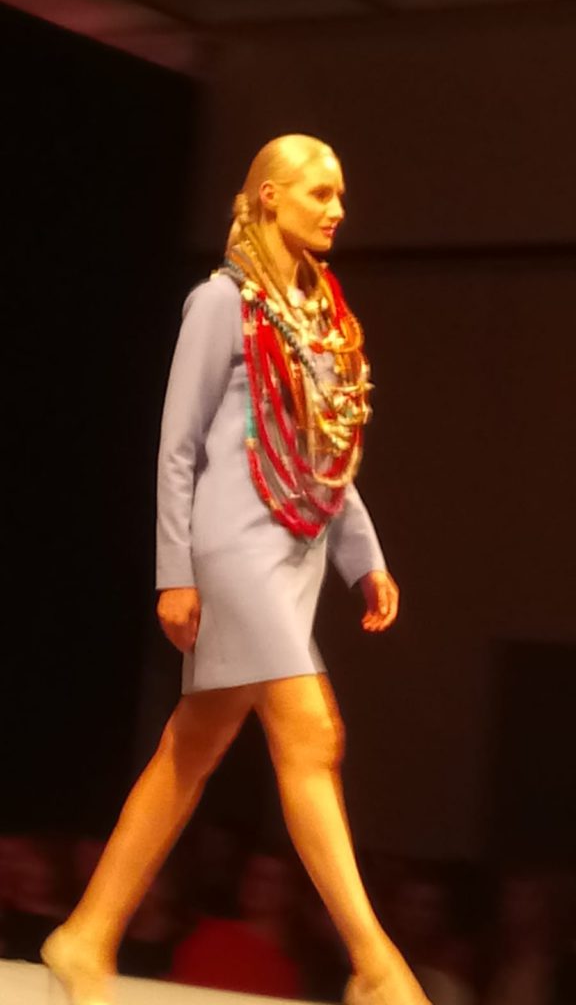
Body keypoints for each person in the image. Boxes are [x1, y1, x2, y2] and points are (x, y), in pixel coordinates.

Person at [40, 134, 432, 1005]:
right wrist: (173, 571)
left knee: (194, 746)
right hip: (232, 549)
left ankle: (87, 931)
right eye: (320, 192)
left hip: (294, 551)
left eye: (340, 194)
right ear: (268, 197)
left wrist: (364, 558)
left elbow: (325, 454)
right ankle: (374, 963)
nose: (337, 209)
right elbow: (177, 447)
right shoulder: (220, 303)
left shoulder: (318, 317)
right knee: (312, 736)